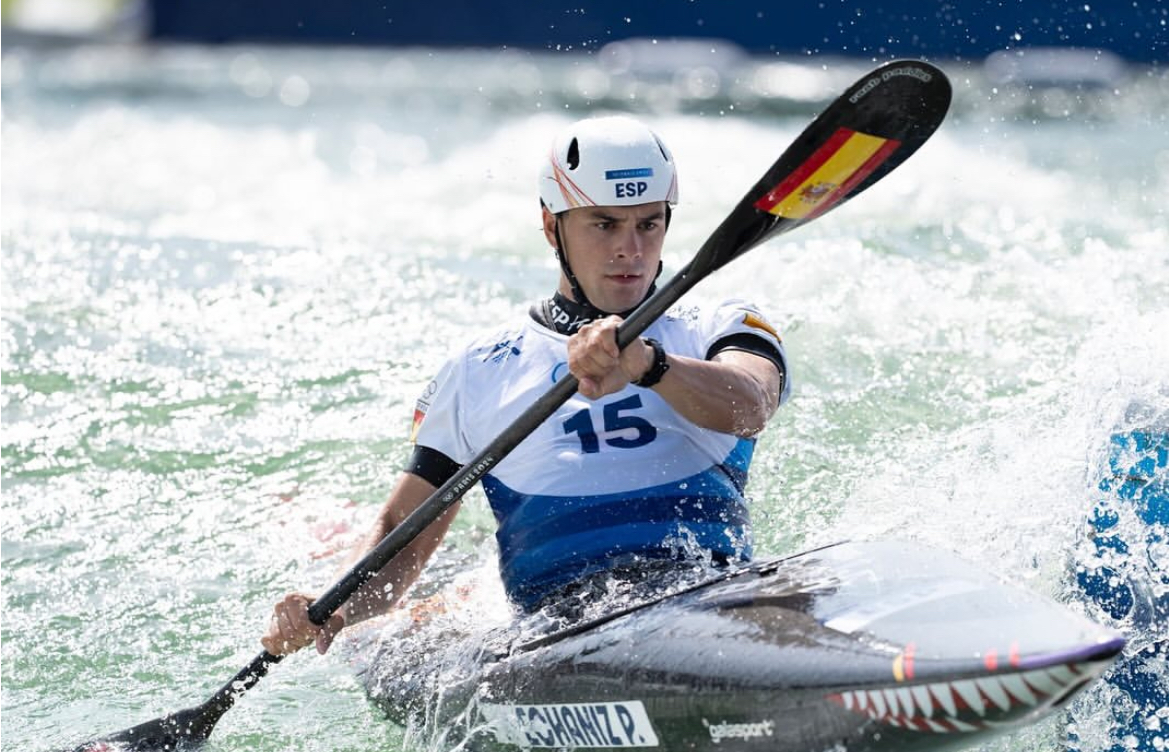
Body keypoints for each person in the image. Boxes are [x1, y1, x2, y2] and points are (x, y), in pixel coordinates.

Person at [262, 115, 790, 657]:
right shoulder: (478, 370)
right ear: (550, 225)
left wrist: (649, 365)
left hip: (712, 602)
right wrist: (335, 611)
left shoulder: (716, 325)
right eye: (604, 225)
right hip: (555, 637)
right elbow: (404, 532)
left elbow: (751, 405)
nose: (630, 249)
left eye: (648, 224)